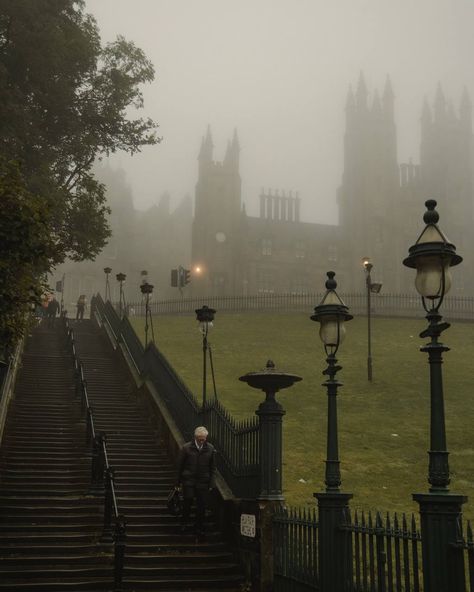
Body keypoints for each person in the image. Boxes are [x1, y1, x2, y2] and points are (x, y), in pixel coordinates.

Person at [175, 426, 216, 538]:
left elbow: (213, 467)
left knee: (201, 506)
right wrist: (177, 483)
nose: (202, 441)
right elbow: (179, 466)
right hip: (189, 480)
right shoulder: (186, 448)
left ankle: (199, 527)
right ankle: (184, 523)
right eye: (200, 439)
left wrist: (212, 483)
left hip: (203, 481)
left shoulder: (210, 448)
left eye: (204, 439)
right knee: (187, 501)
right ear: (195, 437)